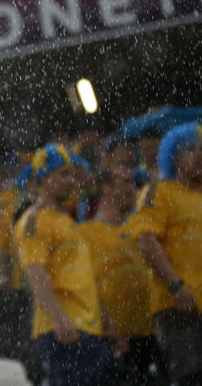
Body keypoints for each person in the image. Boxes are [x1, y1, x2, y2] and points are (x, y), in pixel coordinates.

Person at [13, 144, 114, 386]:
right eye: (62, 175)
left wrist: (108, 323)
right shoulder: (34, 220)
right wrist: (60, 321)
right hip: (63, 331)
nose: (71, 181)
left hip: (89, 329)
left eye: (72, 174)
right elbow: (35, 272)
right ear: (42, 180)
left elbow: (84, 278)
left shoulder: (66, 220)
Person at [131, 123, 202, 384]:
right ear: (172, 155)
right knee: (191, 377)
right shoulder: (158, 191)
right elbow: (147, 241)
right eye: (190, 149)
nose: (199, 154)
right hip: (179, 306)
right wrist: (175, 286)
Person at [79, 166, 161, 385]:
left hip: (154, 333)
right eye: (125, 183)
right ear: (105, 188)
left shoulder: (142, 230)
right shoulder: (85, 234)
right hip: (113, 339)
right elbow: (87, 289)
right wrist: (110, 328)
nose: (132, 189)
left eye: (134, 184)